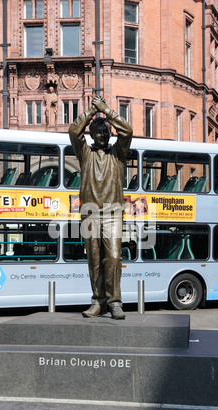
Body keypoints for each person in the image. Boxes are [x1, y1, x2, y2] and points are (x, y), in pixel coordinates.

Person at [69, 96, 133, 319]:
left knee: (114, 257)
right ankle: (98, 301)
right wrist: (89, 113)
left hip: (113, 214)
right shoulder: (84, 153)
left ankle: (115, 302)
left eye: (106, 133)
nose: (104, 136)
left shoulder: (118, 154)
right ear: (92, 135)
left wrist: (106, 111)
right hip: (89, 214)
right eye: (100, 133)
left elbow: (127, 131)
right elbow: (74, 131)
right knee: (94, 260)